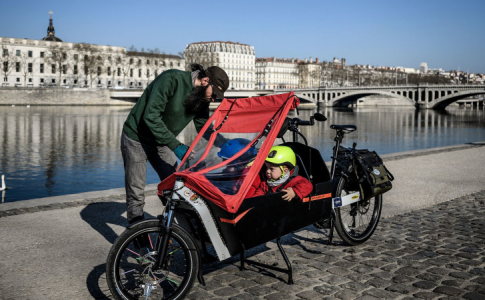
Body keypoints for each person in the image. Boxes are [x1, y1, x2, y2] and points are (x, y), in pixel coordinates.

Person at [121, 64, 229, 224]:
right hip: (136, 139)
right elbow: (151, 116)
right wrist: (176, 145)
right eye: (214, 94)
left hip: (161, 141)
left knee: (174, 188)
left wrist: (225, 144)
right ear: (205, 80)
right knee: (136, 193)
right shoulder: (171, 79)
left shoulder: (202, 98)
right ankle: (140, 242)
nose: (214, 99)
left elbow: (203, 126)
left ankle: (173, 230)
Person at [247, 145, 313, 200]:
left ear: (285, 171)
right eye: (267, 167)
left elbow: (308, 185)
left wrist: (294, 192)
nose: (267, 171)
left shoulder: (293, 181)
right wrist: (254, 201)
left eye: (271, 169)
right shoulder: (266, 183)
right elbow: (260, 193)